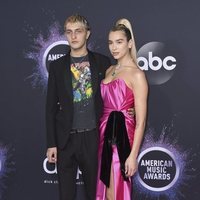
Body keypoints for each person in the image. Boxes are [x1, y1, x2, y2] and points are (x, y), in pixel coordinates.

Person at [45, 14, 111, 200]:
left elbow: (114, 94)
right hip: (65, 140)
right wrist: (51, 143)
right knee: (66, 195)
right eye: (69, 32)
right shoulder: (57, 66)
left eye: (78, 31)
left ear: (87, 34)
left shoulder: (103, 62)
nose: (73, 36)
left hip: (93, 137)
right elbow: (50, 108)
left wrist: (126, 110)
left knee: (94, 194)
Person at [96, 18, 148, 200]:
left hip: (122, 135)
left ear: (130, 43)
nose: (114, 47)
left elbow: (141, 122)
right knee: (104, 186)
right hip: (103, 133)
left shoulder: (137, 74)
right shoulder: (109, 70)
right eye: (110, 42)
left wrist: (133, 155)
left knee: (116, 186)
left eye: (119, 42)